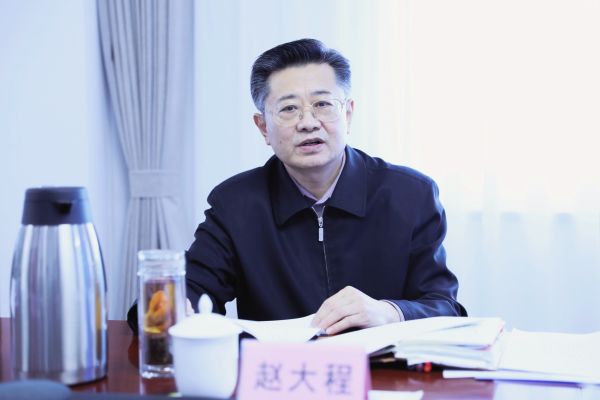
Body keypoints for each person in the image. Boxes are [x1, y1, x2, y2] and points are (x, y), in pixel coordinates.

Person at [129, 38, 466, 335]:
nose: (308, 122)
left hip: (381, 375)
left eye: (323, 104)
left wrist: (389, 312)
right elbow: (190, 290)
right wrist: (174, 307)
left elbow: (444, 307)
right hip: (277, 373)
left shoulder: (410, 195)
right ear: (263, 127)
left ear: (348, 114)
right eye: (289, 109)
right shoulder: (236, 205)